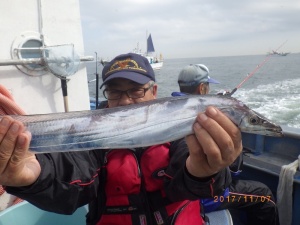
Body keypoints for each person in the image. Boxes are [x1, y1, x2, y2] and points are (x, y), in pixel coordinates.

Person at [0, 53, 242, 225]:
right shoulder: (93, 134)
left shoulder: (179, 126)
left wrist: (204, 172)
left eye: (136, 90)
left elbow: (197, 183)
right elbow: (71, 175)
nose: (125, 100)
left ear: (154, 91)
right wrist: (31, 178)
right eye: (115, 92)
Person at [173, 63, 279, 225]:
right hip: (205, 197)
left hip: (178, 193)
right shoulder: (207, 120)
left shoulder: (171, 108)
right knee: (264, 195)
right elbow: (232, 172)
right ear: (202, 89)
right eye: (207, 87)